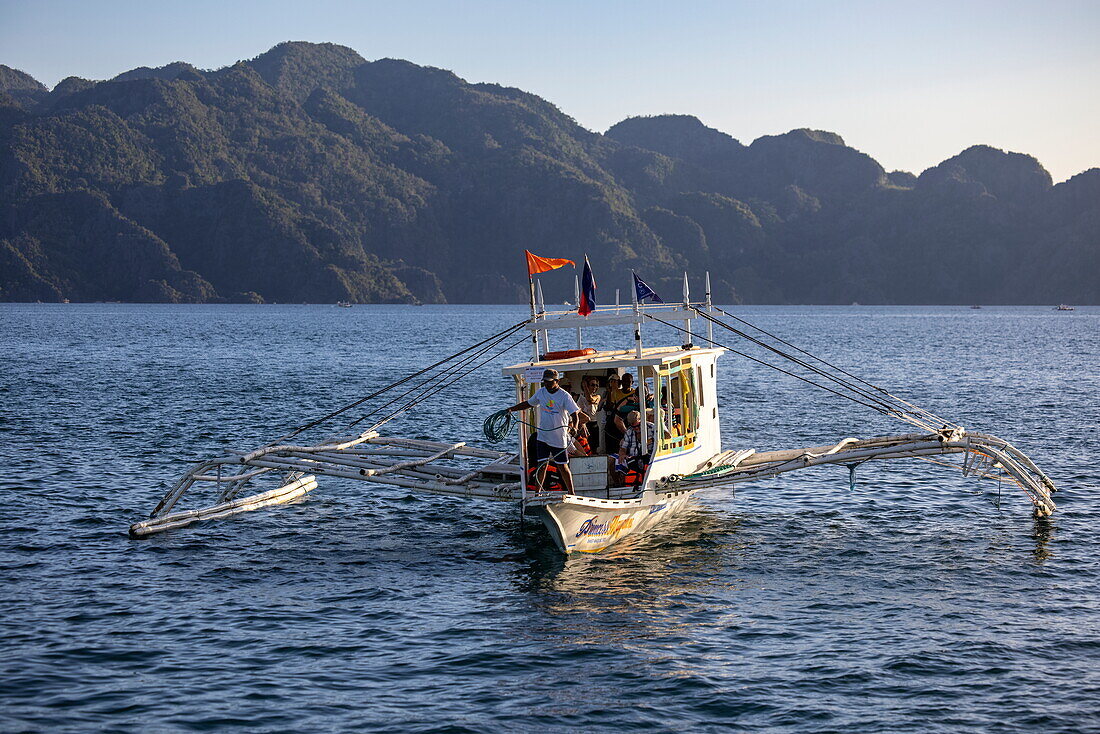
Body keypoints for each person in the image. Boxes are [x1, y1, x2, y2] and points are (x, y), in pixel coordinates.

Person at [506, 369, 591, 494]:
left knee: (562, 466)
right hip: (543, 436)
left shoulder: (564, 396)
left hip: (558, 438)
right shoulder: (541, 392)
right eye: (545, 381)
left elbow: (575, 415)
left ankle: (571, 493)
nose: (547, 384)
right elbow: (528, 404)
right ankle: (537, 493)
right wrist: (511, 409)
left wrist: (575, 427)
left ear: (557, 381)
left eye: (550, 382)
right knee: (542, 465)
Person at [615, 410, 655, 484]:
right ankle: (621, 485)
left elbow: (667, 436)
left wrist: (652, 440)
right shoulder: (629, 431)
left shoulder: (652, 427)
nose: (636, 428)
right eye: (633, 427)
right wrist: (622, 454)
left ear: (641, 420)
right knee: (616, 461)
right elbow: (623, 448)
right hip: (633, 458)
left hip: (649, 457)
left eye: (637, 426)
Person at [578, 376, 603, 453]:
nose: (595, 387)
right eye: (592, 385)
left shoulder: (597, 397)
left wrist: (585, 386)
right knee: (584, 447)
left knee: (594, 447)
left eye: (596, 385)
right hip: (583, 425)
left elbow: (590, 400)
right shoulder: (580, 397)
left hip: (593, 425)